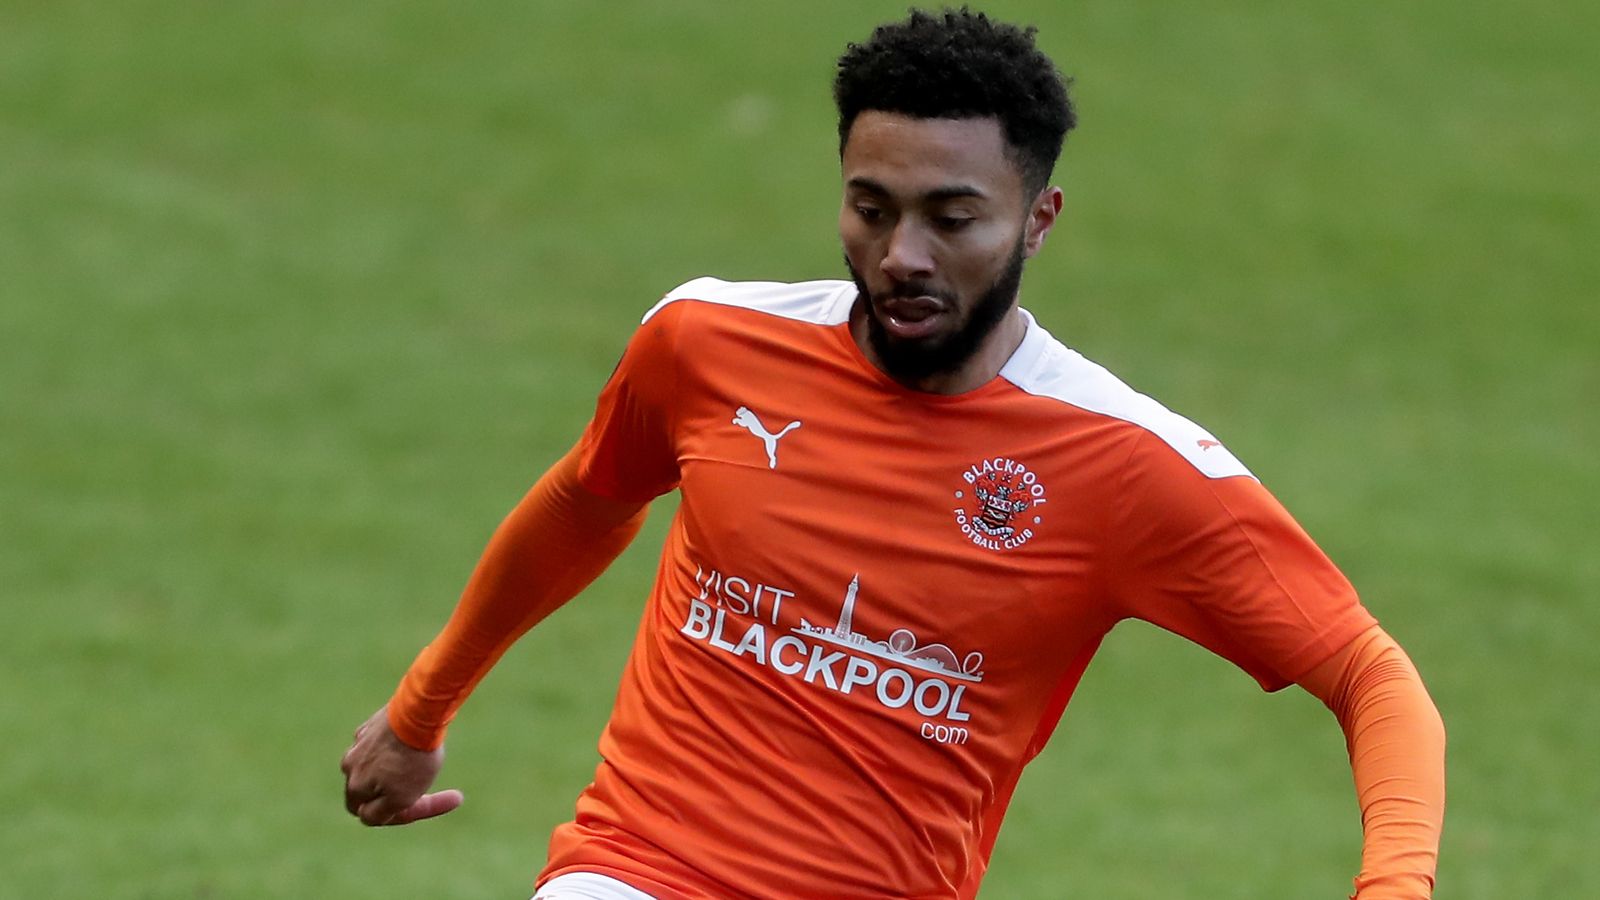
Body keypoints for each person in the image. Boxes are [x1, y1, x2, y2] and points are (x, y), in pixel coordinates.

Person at [340, 8, 1446, 899]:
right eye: (871, 208)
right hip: (635, 870)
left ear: (1038, 219)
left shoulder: (1123, 463)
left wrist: (1394, 884)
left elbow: (1371, 677)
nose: (900, 255)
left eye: (951, 220)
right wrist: (422, 708)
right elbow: (589, 499)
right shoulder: (709, 344)